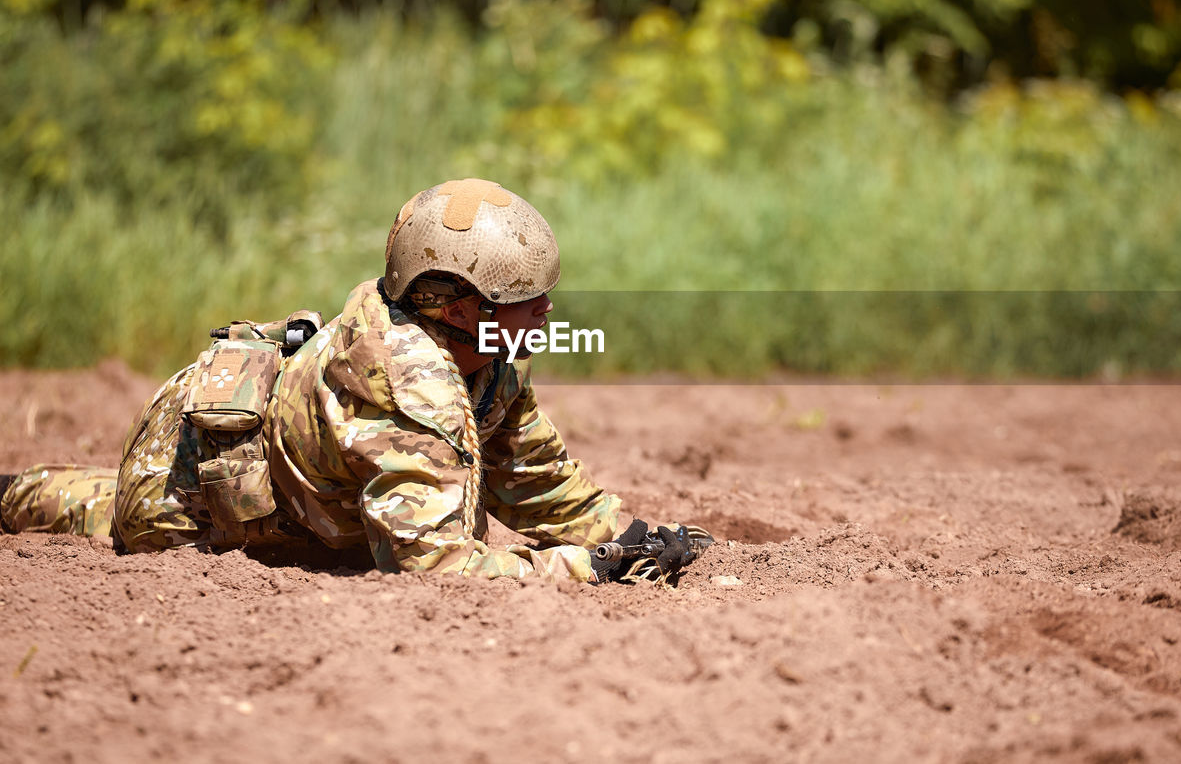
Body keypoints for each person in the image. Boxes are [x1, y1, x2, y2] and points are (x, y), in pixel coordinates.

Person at [0, 179, 702, 582]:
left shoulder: (481, 359)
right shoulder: (408, 384)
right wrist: (595, 568)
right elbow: (435, 568)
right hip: (185, 503)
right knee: (108, 515)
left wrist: (633, 534)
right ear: (459, 306)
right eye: (525, 295)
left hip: (284, 488)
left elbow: (538, 482)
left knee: (81, 497)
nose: (548, 308)